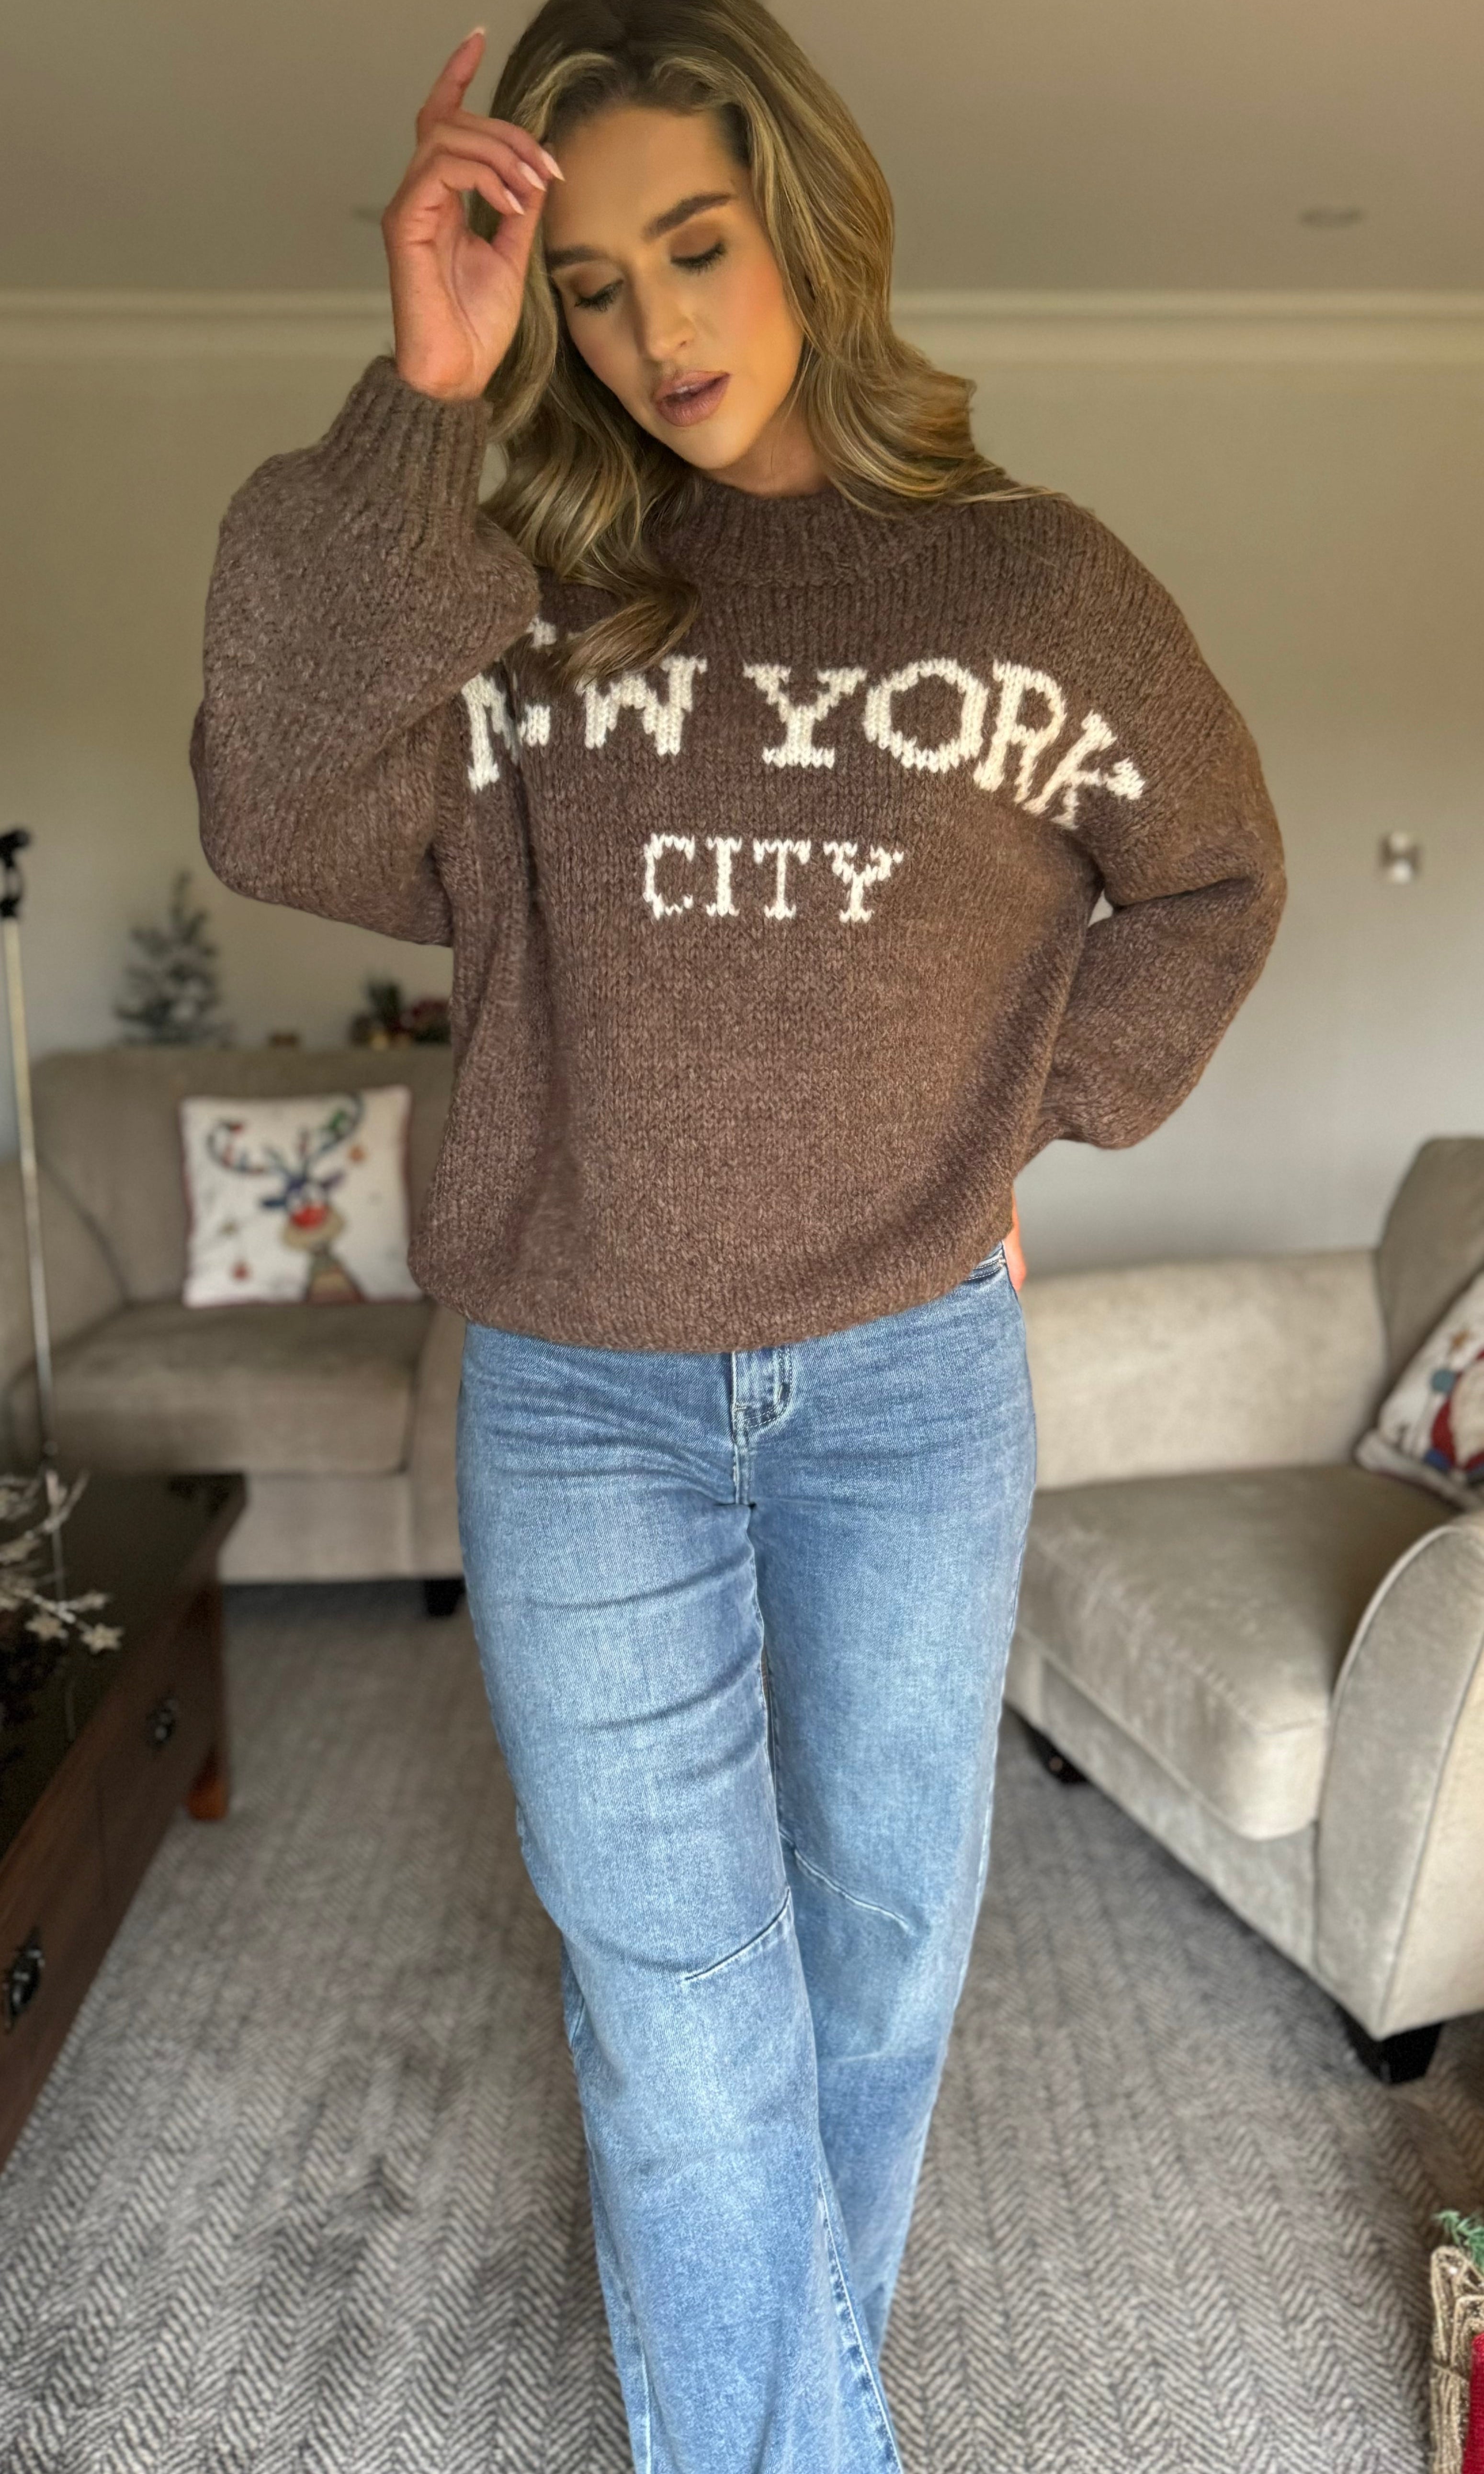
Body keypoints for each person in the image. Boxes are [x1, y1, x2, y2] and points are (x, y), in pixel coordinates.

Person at [190, 3, 1287, 2464]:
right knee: (680, 2010)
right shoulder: (515, 586)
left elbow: (1211, 883)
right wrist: (429, 397)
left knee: (877, 1951)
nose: (653, 327)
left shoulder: (1036, 584)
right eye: (591, 284)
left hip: (909, 1376)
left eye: (695, 245)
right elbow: (266, 799)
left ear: (808, 219)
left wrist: (1026, 1119)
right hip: (579, 1386)